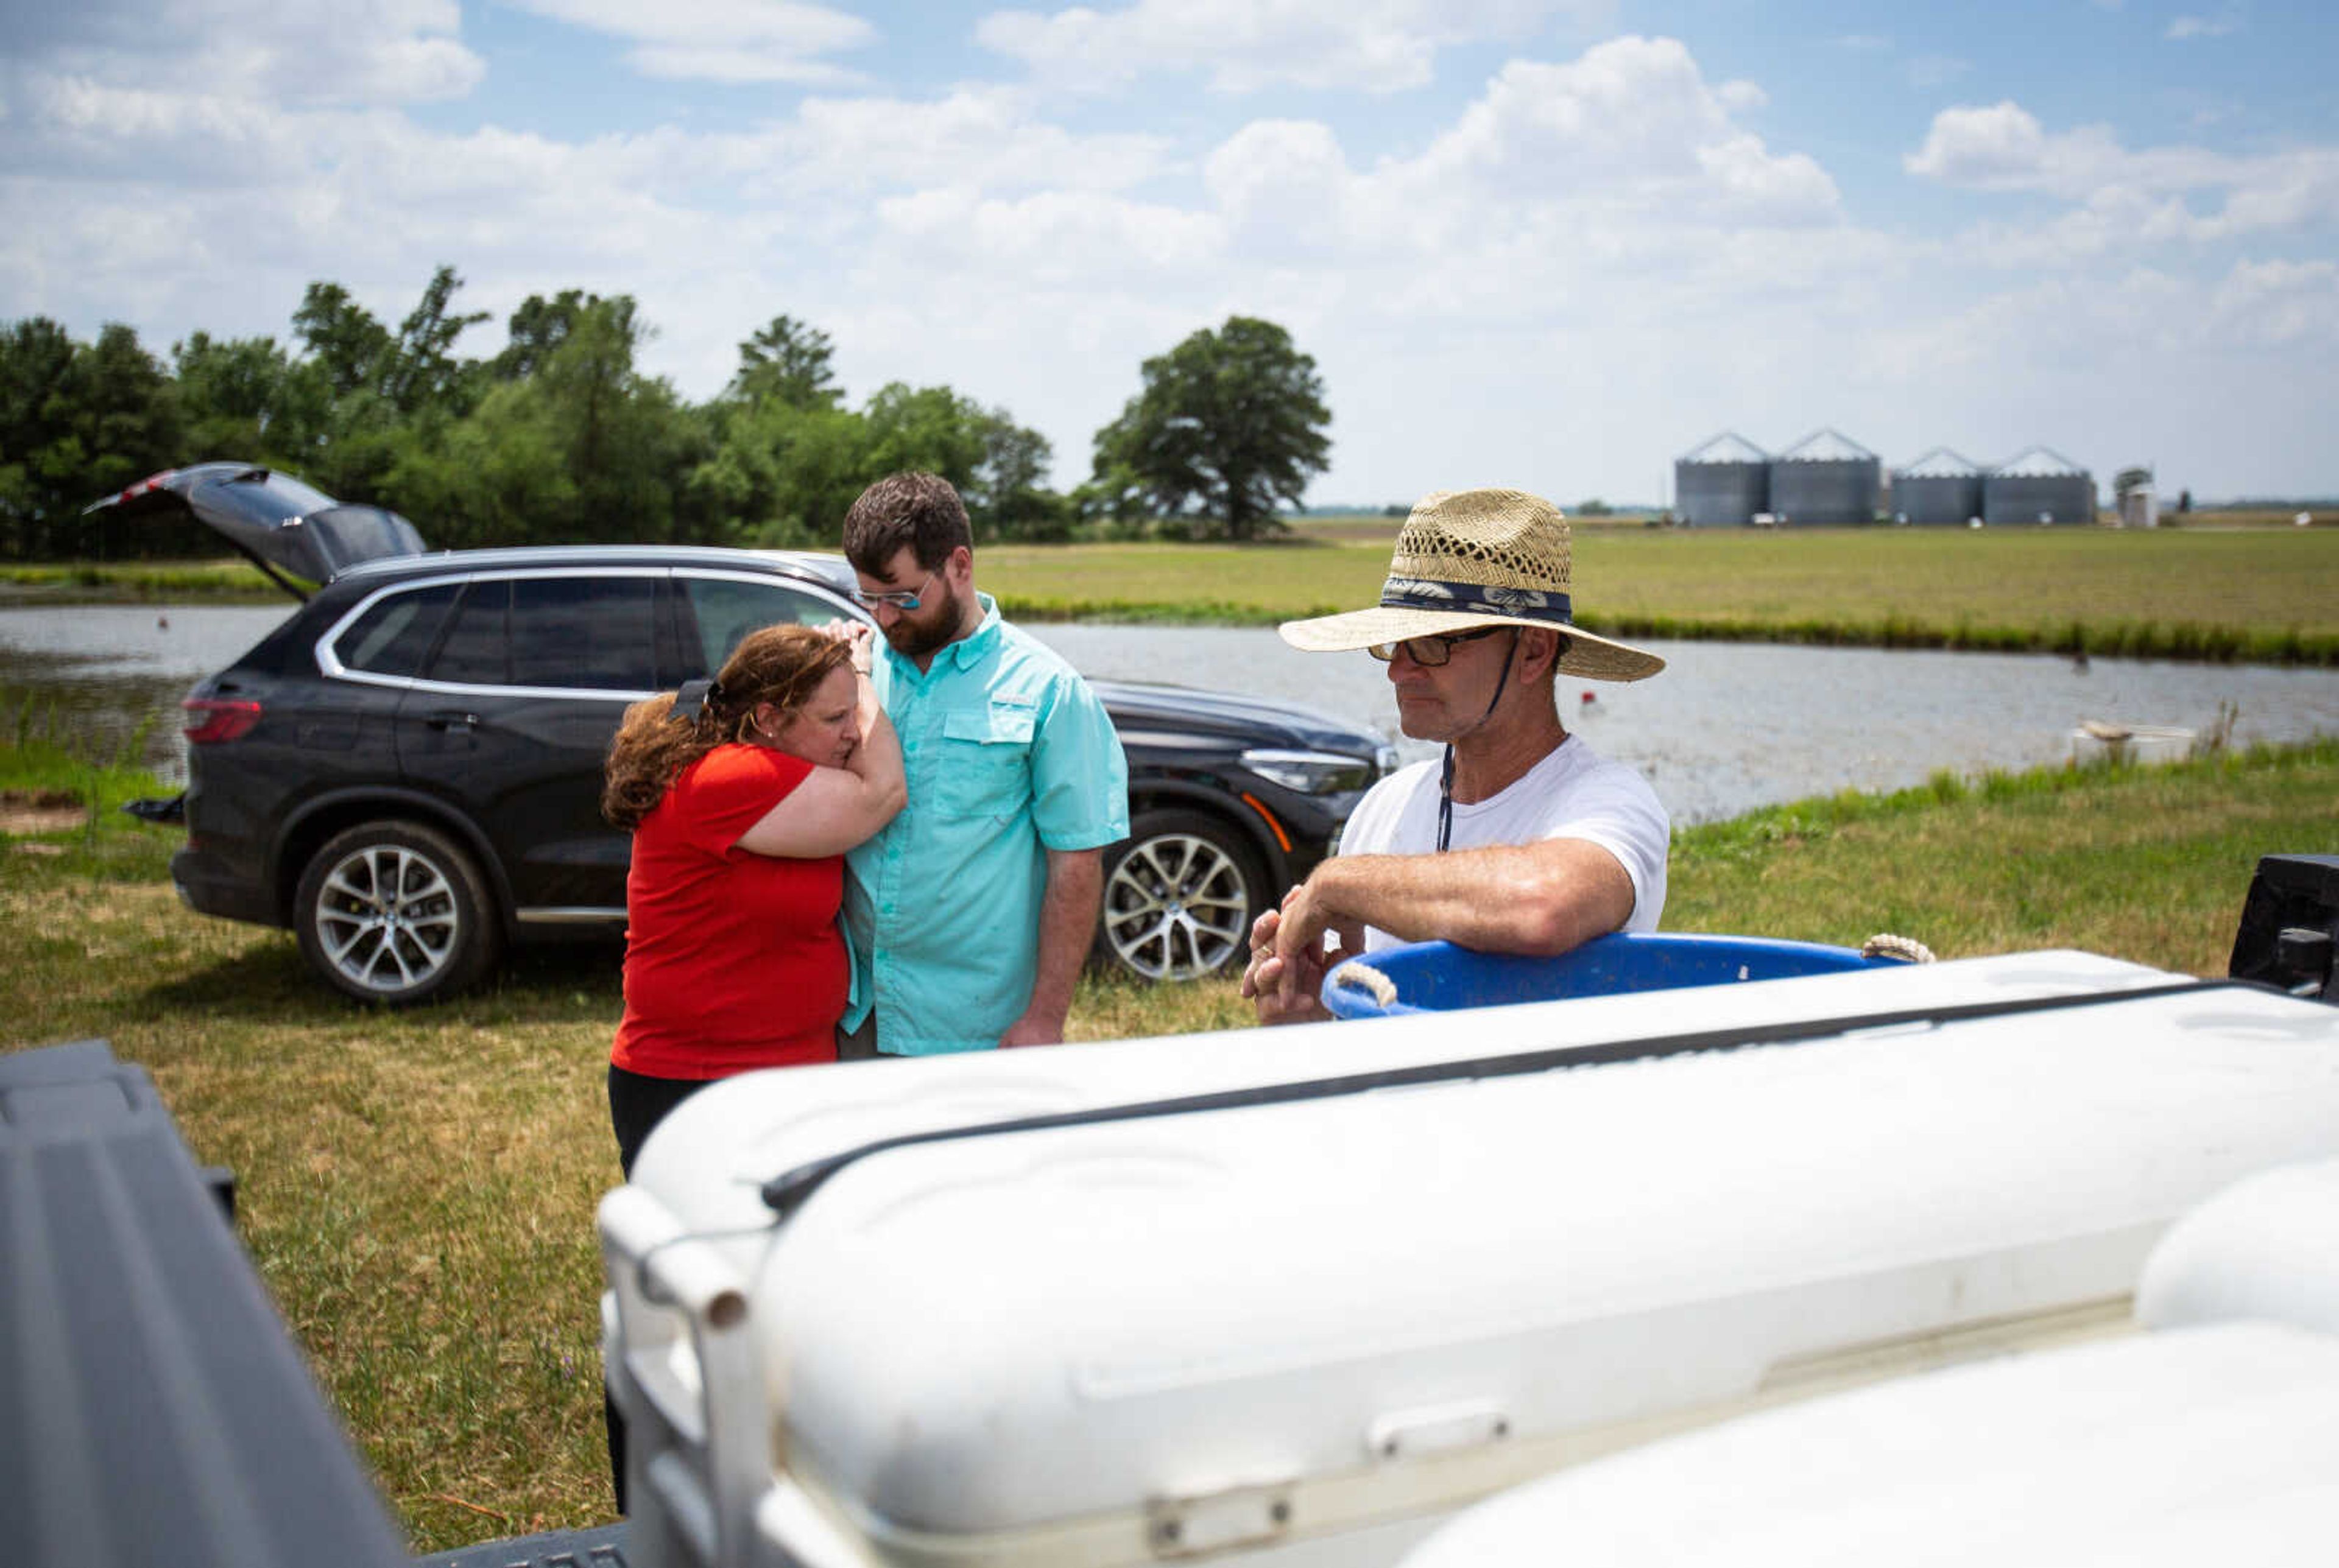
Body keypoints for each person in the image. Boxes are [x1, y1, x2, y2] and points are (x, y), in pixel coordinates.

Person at [1241, 487, 1670, 1025]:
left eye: (1432, 642)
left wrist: (1336, 884)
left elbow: (1544, 907)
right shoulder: (1387, 803)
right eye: (1395, 644)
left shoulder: (1609, 801)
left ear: (1533, 651)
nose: (1399, 670)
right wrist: (1307, 1012)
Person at [838, 471, 1129, 1055]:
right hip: (854, 1011)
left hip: (974, 1030)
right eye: (869, 597)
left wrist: (1045, 1018)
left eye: (901, 596)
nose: (885, 617)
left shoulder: (1050, 691)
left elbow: (1076, 863)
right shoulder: (855, 668)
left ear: (960, 566)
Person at [601, 621, 904, 1173]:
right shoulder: (728, 777)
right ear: (767, 719)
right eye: (835, 718)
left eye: (850, 714)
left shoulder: (771, 773)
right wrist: (860, 675)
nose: (853, 733)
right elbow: (882, 792)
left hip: (777, 1076)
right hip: (696, 1085)